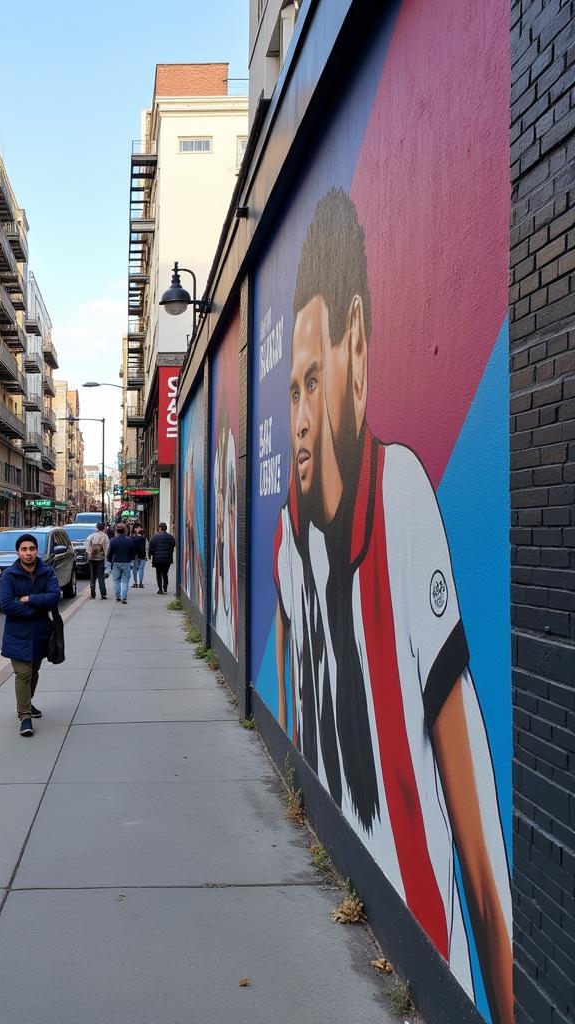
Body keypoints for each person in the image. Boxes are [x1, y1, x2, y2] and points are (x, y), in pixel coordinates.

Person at [272, 186, 512, 1023]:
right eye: (292, 391)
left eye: (312, 380)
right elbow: (299, 721)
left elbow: (474, 808)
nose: (299, 418)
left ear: (358, 348)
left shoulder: (401, 500)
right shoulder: (286, 547)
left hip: (428, 947)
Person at [0, 533, 61, 737]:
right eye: (24, 549)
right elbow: (6, 604)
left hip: (41, 633)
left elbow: (54, 597)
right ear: (18, 552)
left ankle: (28, 701)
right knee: (23, 673)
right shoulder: (9, 575)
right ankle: (24, 716)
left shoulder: (47, 571)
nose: (28, 553)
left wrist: (29, 598)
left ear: (36, 551)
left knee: (34, 671)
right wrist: (36, 609)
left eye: (31, 549)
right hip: (17, 633)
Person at [106, 523, 136, 604]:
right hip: (126, 562)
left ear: (117, 531)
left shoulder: (113, 540)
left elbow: (110, 553)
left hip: (116, 562)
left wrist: (109, 560)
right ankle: (124, 597)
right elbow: (132, 552)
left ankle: (118, 596)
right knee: (125, 581)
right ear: (124, 531)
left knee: (116, 580)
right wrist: (132, 559)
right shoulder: (129, 540)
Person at [148, 523, 176, 594]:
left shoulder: (154, 537)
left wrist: (149, 555)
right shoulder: (170, 537)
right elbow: (173, 545)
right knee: (165, 573)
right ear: (166, 528)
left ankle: (160, 589)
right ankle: (165, 588)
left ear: (160, 528)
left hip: (157, 559)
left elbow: (151, 547)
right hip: (167, 559)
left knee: (158, 574)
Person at [84, 522, 109, 599]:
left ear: (97, 528)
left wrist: (89, 554)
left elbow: (87, 546)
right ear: (103, 528)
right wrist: (105, 557)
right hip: (100, 559)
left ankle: (93, 594)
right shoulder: (105, 536)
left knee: (92, 577)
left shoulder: (91, 536)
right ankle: (103, 594)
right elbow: (107, 548)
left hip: (92, 559)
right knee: (101, 577)